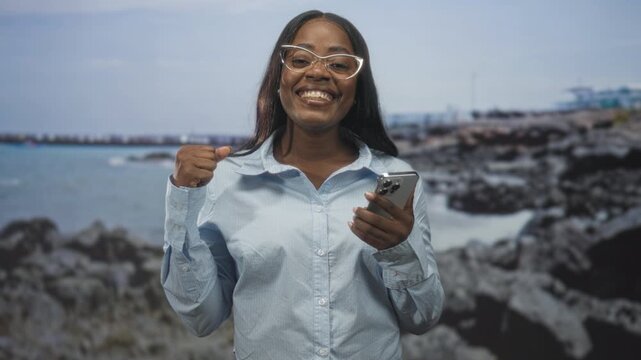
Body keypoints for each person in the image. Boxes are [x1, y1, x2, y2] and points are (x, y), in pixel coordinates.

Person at [161, 10, 444, 360]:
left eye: (340, 65)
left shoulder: (392, 182)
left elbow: (423, 317)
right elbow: (201, 317)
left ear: (357, 90)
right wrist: (183, 199)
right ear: (279, 79)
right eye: (300, 58)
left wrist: (399, 250)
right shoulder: (227, 181)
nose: (318, 71)